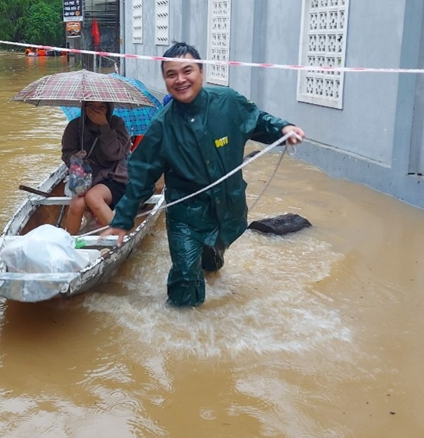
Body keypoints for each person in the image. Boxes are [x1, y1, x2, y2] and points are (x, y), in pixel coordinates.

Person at [102, 43, 306, 308]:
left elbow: (257, 120)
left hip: (228, 208)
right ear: (165, 80)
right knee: (185, 277)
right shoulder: (161, 127)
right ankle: (183, 329)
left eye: (187, 71)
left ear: (201, 71)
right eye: (171, 74)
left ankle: (211, 260)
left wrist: (283, 129)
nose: (180, 80)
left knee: (212, 261)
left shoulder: (228, 102)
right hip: (185, 214)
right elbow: (141, 175)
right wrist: (122, 219)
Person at [61, 101, 131, 235]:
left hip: (114, 177)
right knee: (76, 204)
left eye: (101, 107)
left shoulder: (116, 124)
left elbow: (114, 154)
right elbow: (66, 154)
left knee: (93, 197)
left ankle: (118, 237)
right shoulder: (75, 126)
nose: (96, 110)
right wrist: (75, 157)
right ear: (84, 107)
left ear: (108, 109)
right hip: (85, 179)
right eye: (91, 106)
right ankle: (68, 242)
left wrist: (104, 126)